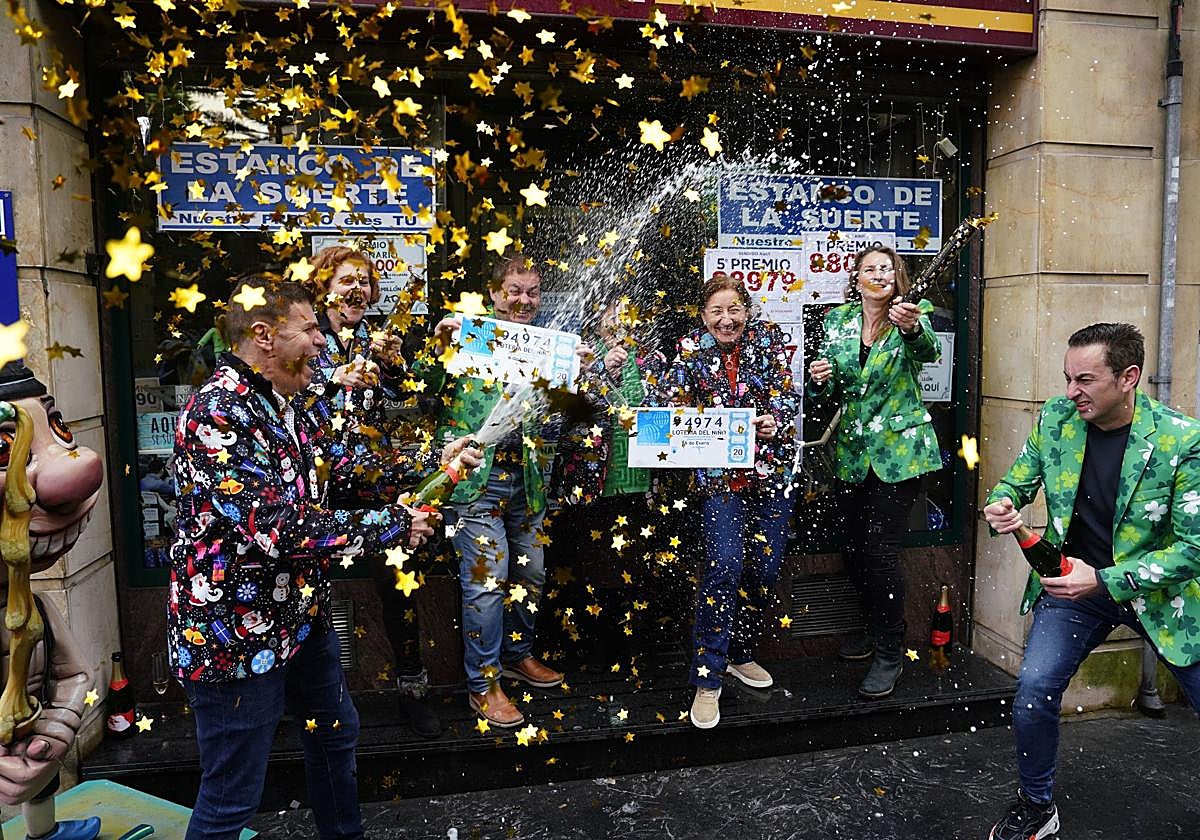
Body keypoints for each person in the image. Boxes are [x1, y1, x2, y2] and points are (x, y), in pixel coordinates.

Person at [166, 279, 474, 839]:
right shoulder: (215, 414)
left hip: (301, 616)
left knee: (334, 735)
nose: (321, 341)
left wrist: (438, 459)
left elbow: (353, 465)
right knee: (233, 794)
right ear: (263, 336)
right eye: (309, 329)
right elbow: (277, 528)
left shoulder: (292, 402)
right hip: (231, 632)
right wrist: (396, 524)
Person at [981, 322, 1200, 840]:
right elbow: (1016, 478)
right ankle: (1036, 806)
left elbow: (1194, 549)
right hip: (1072, 592)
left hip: (1161, 596)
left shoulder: (1181, 439)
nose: (1070, 392)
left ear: (1128, 377)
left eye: (1084, 379)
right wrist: (1004, 500)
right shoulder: (1057, 419)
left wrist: (1103, 578)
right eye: (1066, 378)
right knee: (1033, 691)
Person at [417, 256, 591, 728]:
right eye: (514, 290)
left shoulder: (546, 344)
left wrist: (579, 373)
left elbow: (570, 410)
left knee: (531, 573)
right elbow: (421, 387)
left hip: (530, 480)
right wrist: (438, 348)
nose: (523, 300)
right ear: (494, 293)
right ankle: (484, 685)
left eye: (532, 292)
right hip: (475, 480)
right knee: (487, 583)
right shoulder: (468, 335)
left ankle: (517, 655)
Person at [652, 272, 799, 730]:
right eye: (716, 311)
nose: (726, 318)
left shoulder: (768, 342)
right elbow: (663, 408)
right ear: (703, 317)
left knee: (765, 569)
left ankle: (740, 654)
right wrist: (702, 421)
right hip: (719, 485)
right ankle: (708, 677)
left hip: (770, 476)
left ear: (746, 312)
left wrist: (776, 419)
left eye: (734, 309)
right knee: (724, 566)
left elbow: (788, 397)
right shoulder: (689, 353)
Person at [306, 245, 442, 738]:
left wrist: (398, 366)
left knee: (400, 582)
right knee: (307, 589)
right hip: (316, 484)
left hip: (372, 480)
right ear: (323, 284)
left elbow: (406, 400)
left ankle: (414, 690)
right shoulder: (308, 337)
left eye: (364, 281)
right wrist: (332, 379)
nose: (358, 289)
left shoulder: (373, 336)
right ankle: (304, 696)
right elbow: (290, 393)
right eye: (347, 280)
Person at [806, 246, 942, 700]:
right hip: (852, 452)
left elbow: (927, 351)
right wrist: (819, 377)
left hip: (900, 454)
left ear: (896, 275)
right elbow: (836, 387)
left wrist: (911, 328)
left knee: (881, 551)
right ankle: (870, 623)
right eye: (870, 268)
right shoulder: (837, 320)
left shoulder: (911, 314)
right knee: (851, 547)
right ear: (858, 278)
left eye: (887, 268)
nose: (879, 274)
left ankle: (890, 648)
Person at [0, 362, 102, 840]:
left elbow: (76, 675)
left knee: (41, 790)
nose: (72, 476)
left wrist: (56, 731)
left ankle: (45, 833)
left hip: (32, 739)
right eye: (5, 448)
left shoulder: (37, 609)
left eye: (57, 427)